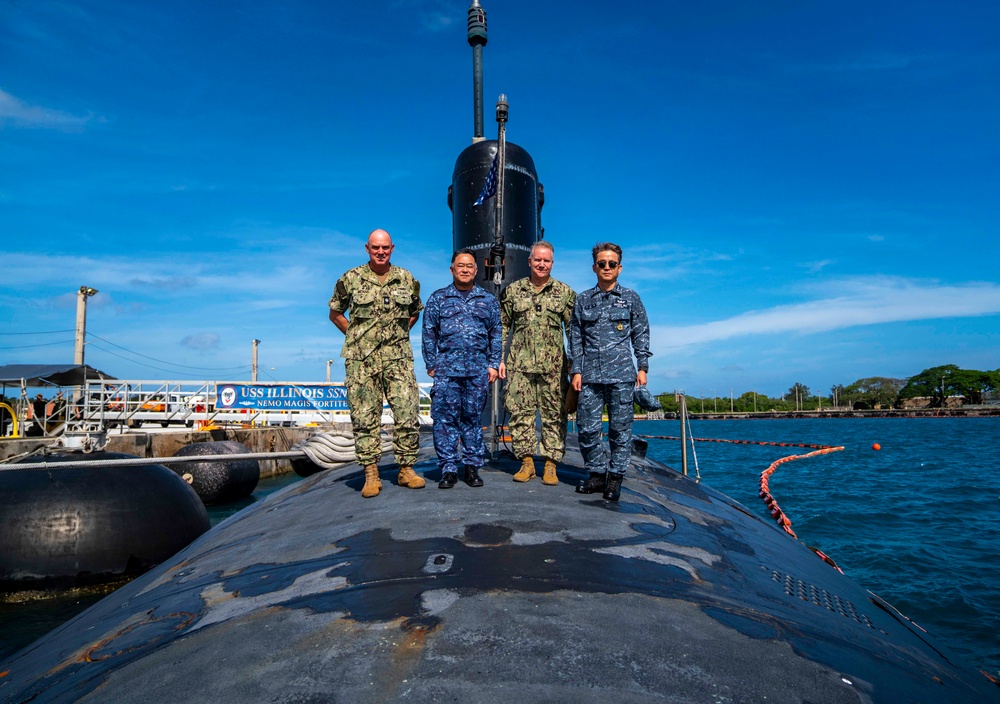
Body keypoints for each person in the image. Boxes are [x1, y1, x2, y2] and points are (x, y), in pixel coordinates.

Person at [329, 228, 426, 498]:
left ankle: (406, 469)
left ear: (392, 248)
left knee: (407, 414)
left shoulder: (406, 278)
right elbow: (335, 313)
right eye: (375, 248)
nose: (380, 252)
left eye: (385, 248)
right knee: (364, 418)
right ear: (367, 249)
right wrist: (357, 337)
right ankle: (371, 474)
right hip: (362, 360)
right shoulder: (350, 278)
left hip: (398, 359)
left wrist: (397, 335)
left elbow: (414, 312)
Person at [569, 242, 651, 502]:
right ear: (594, 267)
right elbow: (575, 337)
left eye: (611, 264)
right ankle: (596, 475)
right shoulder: (583, 300)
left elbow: (641, 333)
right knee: (588, 429)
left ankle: (615, 479)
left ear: (619, 268)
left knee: (620, 430)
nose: (606, 267)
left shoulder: (631, 298)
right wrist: (577, 370)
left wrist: (642, 366)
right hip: (590, 375)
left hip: (622, 375)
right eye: (602, 263)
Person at [422, 249, 502, 489]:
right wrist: (431, 364)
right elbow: (429, 333)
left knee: (472, 419)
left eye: (469, 266)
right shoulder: (438, 299)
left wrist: (493, 364)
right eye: (460, 265)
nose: (465, 269)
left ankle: (471, 467)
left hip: (477, 370)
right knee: (444, 421)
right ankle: (448, 468)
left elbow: (496, 333)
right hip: (447, 371)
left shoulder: (488, 300)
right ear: (452, 269)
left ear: (476, 270)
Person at [498, 241, 576, 485]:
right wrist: (499, 359)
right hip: (519, 366)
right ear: (529, 261)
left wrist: (575, 365)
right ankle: (527, 462)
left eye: (547, 261)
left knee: (554, 415)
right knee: (520, 414)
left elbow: (574, 330)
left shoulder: (564, 293)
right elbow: (501, 326)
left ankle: (551, 464)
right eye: (538, 260)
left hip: (553, 367)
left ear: (552, 263)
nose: (542, 264)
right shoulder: (513, 291)